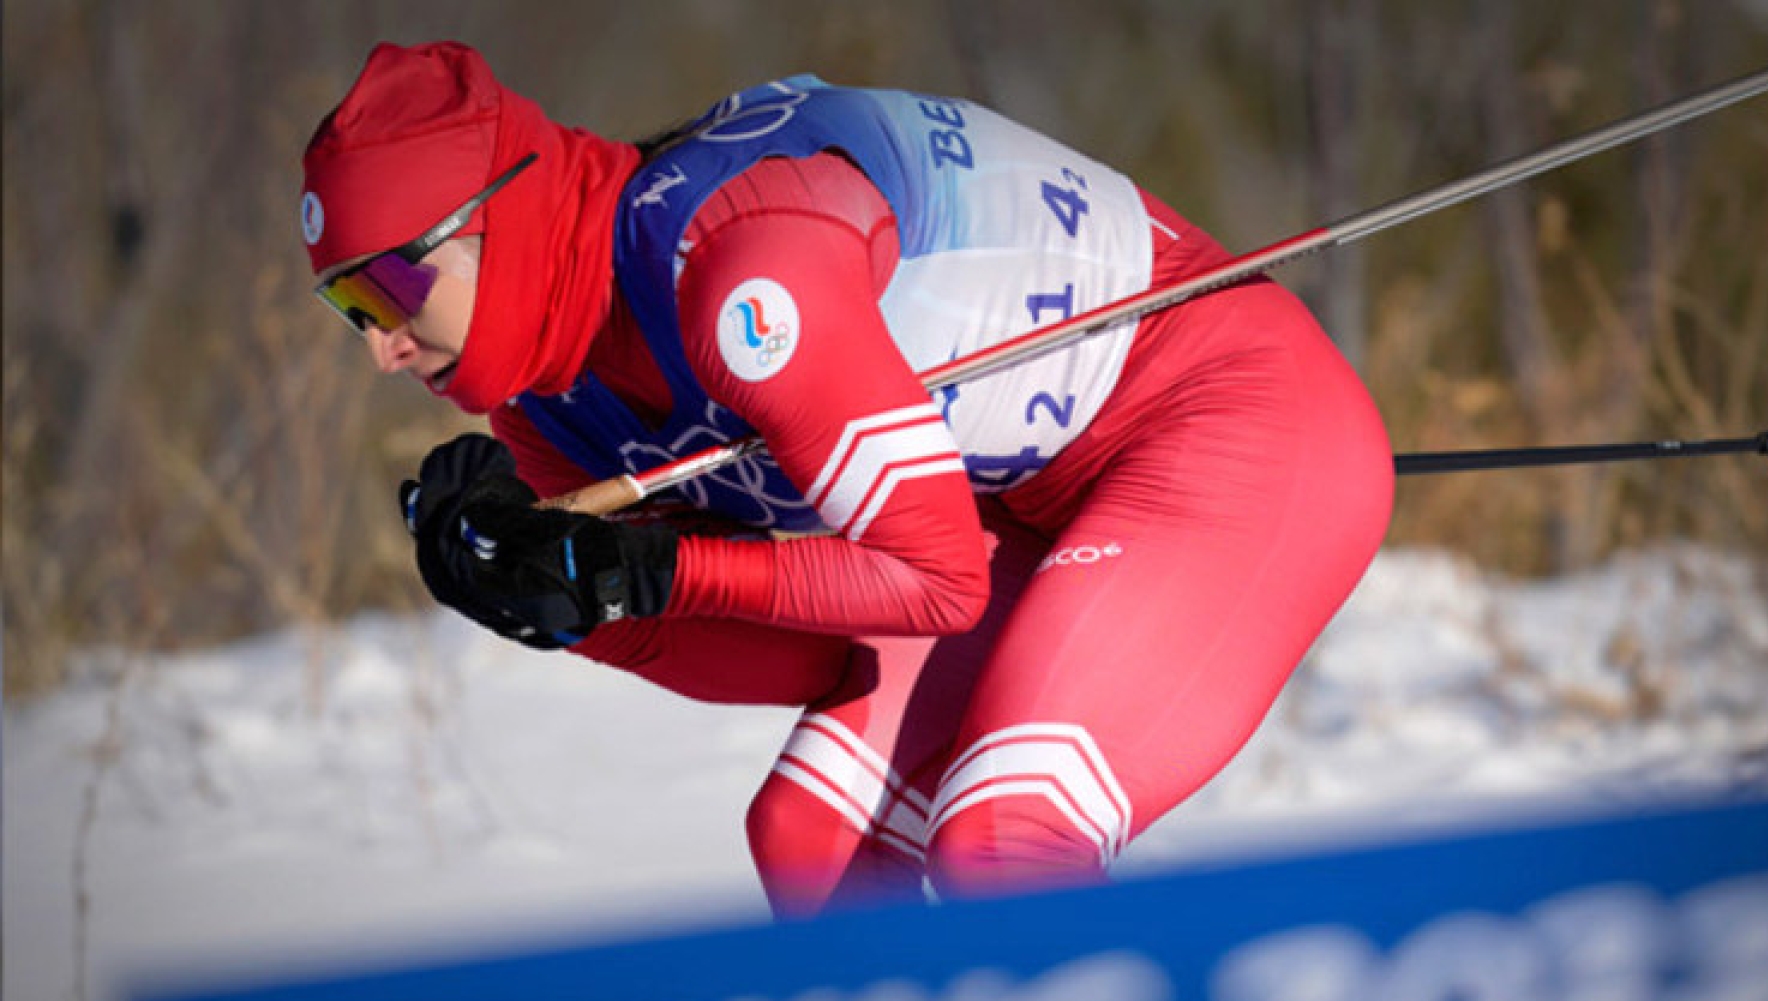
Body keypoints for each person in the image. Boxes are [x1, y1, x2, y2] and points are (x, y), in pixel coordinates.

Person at [302, 41, 1393, 918]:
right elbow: (822, 650)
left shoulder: (737, 266)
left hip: (1230, 417)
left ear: (493, 218)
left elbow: (934, 586)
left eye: (394, 285)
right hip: (1024, 511)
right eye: (349, 306)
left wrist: (654, 567)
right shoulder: (549, 409)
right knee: (813, 843)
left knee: (1003, 838)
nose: (381, 345)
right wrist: (581, 603)